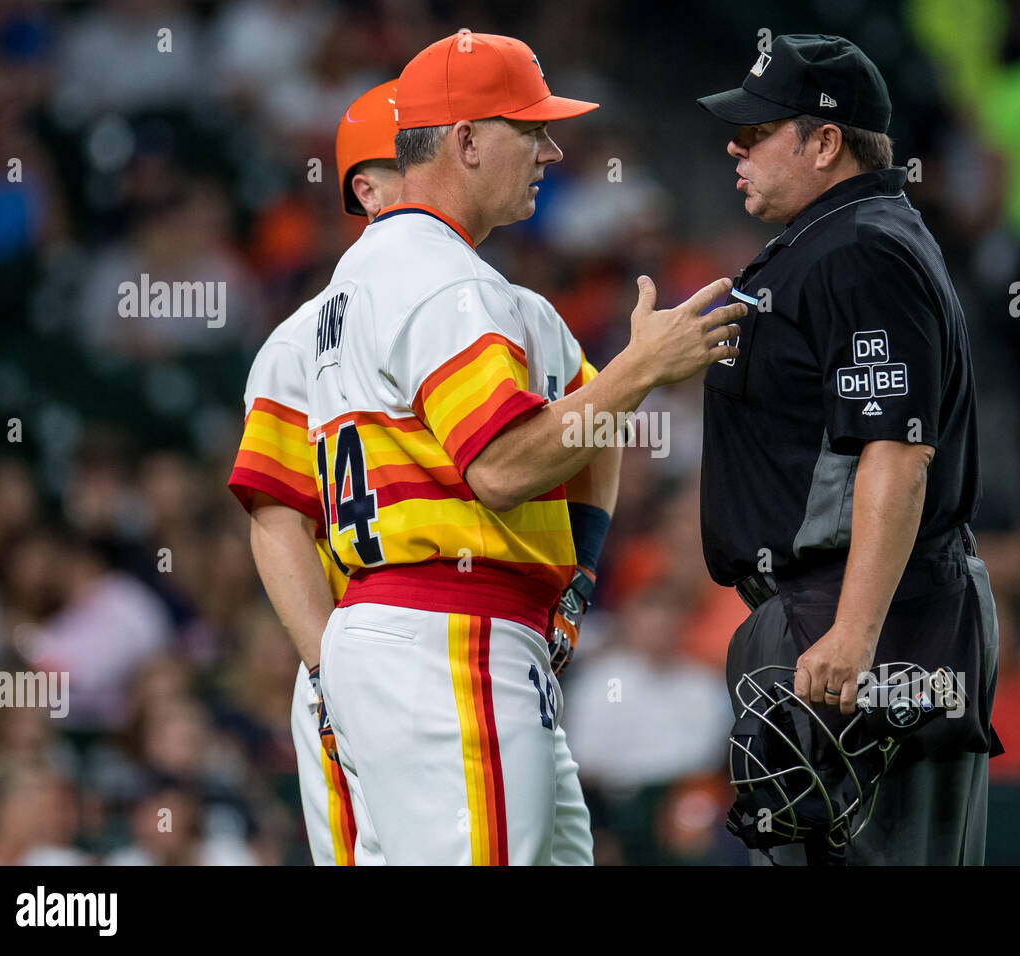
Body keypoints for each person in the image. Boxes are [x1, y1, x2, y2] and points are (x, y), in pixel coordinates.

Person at [309, 30, 743, 865]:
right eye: (530, 129)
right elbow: (503, 466)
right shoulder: (446, 281)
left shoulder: (361, 283)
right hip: (449, 632)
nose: (552, 149)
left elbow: (585, 427)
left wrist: (575, 579)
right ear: (466, 141)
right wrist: (643, 368)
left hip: (414, 631)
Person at [696, 33, 1000, 865]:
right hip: (823, 613)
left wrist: (857, 629)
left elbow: (897, 452)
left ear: (824, 141)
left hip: (874, 618)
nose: (736, 145)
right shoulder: (829, 240)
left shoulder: (862, 248)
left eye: (758, 131)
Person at [229, 79, 401, 865]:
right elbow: (276, 516)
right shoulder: (299, 341)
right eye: (415, 158)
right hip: (360, 638)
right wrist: (328, 670)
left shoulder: (485, 307)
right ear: (365, 190)